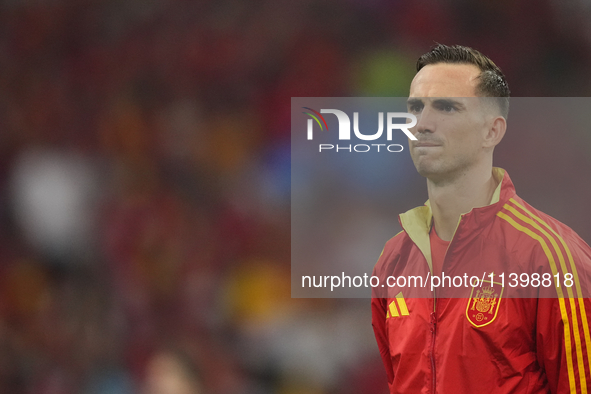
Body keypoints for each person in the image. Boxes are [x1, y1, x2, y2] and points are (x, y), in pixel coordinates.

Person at [371, 44, 591, 393]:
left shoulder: (549, 256)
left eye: (446, 107)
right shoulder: (393, 260)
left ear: (493, 131)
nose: (422, 124)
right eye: (415, 108)